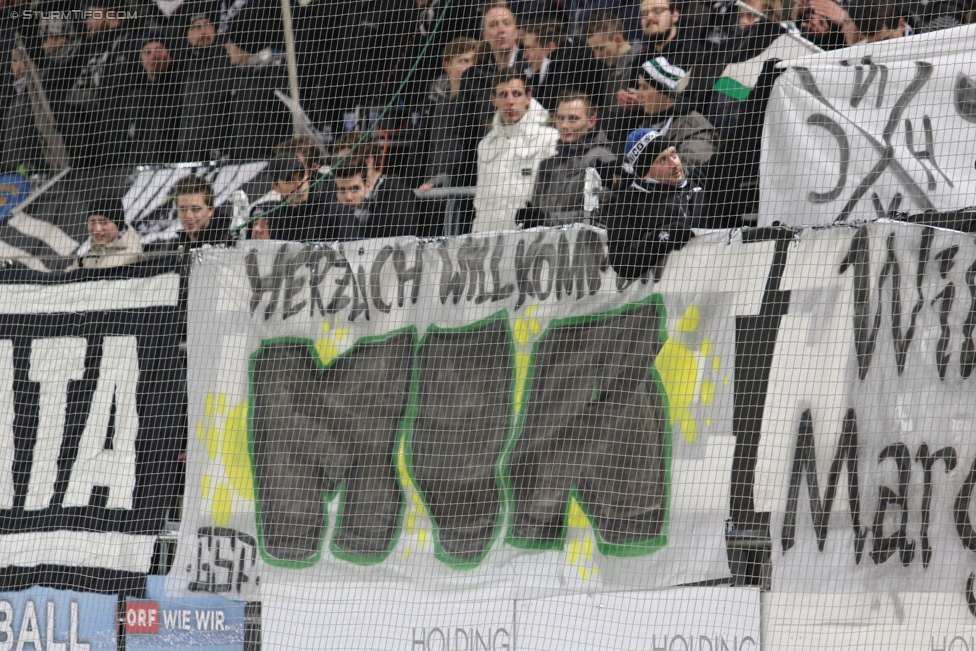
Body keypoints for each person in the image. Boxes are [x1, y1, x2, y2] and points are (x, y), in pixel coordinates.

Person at [606, 128, 698, 279]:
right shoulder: (627, 205)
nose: (674, 163)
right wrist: (661, 237)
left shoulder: (702, 181)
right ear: (646, 173)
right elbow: (621, 261)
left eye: (673, 153)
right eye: (662, 160)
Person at [472, 71, 558, 233]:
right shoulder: (486, 144)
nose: (510, 101)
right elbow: (481, 199)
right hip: (489, 237)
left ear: (528, 97)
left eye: (516, 94)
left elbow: (552, 194)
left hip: (530, 236)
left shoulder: (549, 137)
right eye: (503, 95)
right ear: (494, 100)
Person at [520, 91, 617, 227]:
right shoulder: (547, 165)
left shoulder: (602, 159)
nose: (565, 125)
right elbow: (537, 212)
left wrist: (546, 220)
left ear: (591, 121)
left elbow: (599, 214)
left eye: (573, 119)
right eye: (560, 118)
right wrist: (531, 217)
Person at [627, 57, 716, 171]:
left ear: (666, 93)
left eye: (644, 87)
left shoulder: (694, 126)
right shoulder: (648, 123)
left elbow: (693, 168)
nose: (638, 94)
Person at [251, 153, 355, 242]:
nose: (299, 184)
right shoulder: (272, 219)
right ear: (276, 187)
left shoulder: (334, 211)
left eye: (301, 176)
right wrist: (262, 245)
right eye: (289, 179)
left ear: (308, 175)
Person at [178, 13, 235, 161]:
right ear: (187, 35)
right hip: (189, 150)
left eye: (207, 25)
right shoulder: (182, 63)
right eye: (196, 27)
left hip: (222, 149)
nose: (203, 32)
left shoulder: (227, 56)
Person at [120, 32, 182, 165]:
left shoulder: (182, 90)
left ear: (170, 56)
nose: (154, 56)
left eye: (159, 49)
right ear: (141, 60)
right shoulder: (134, 96)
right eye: (147, 52)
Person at [333, 155, 420, 240]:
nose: (349, 197)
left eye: (355, 189)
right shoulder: (330, 216)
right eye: (342, 190)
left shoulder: (382, 213)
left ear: (367, 186)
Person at [70, 196, 143, 270]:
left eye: (104, 222)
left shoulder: (130, 257)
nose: (97, 229)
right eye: (92, 222)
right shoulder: (89, 255)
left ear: (118, 225)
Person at [171, 174, 231, 248]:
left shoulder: (228, 242)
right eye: (183, 209)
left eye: (196, 209)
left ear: (210, 211)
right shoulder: (175, 248)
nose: (188, 216)